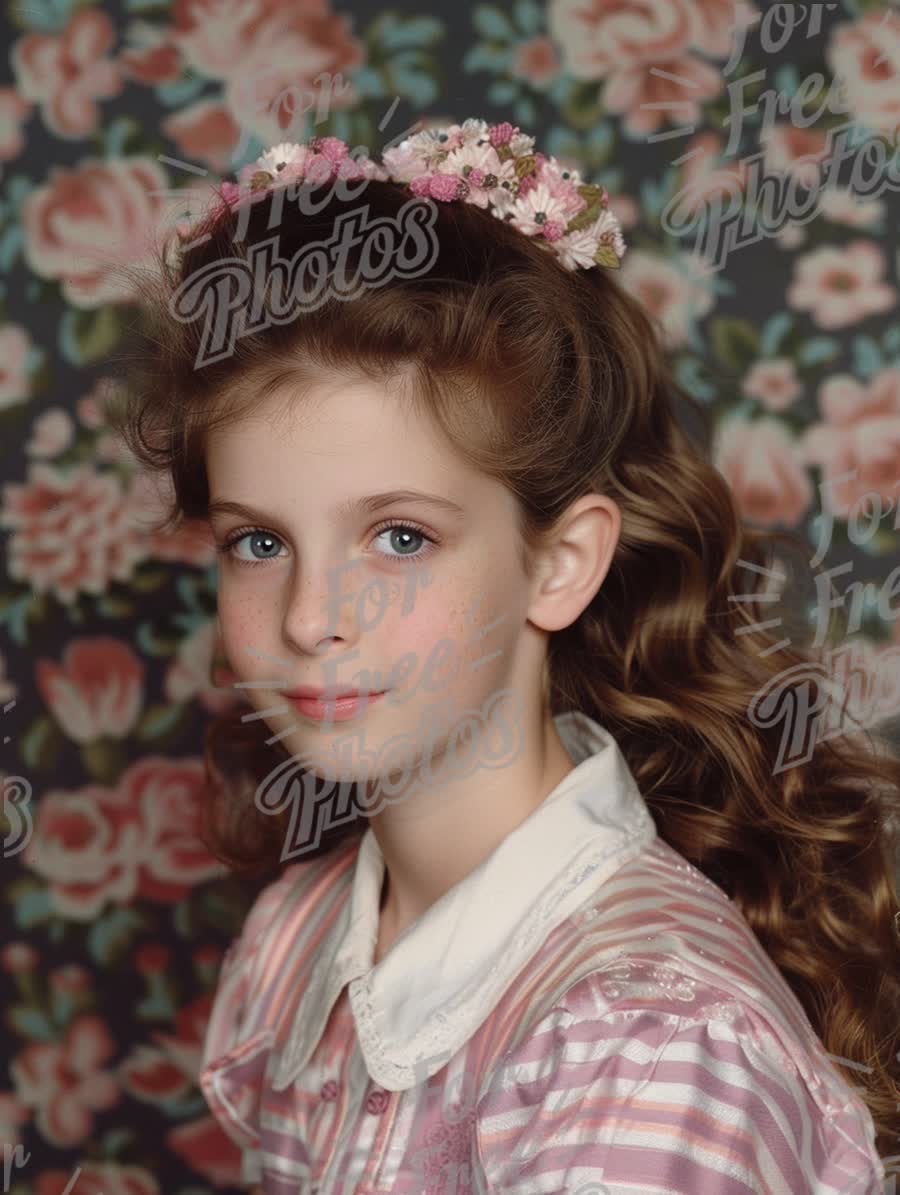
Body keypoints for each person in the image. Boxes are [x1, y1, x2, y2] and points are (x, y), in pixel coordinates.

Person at [105, 117, 899, 1194]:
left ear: (559, 564)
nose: (309, 618)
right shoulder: (296, 943)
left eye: (400, 537)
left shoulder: (652, 1043)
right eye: (260, 541)